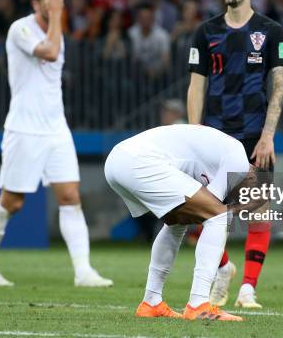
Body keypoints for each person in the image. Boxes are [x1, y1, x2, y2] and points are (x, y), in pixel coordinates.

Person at [0, 0, 112, 287]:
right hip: (24, 128)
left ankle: (83, 272)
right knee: (12, 201)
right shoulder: (20, 28)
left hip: (56, 128)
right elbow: (48, 52)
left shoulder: (55, 28)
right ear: (36, 3)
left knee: (69, 195)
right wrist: (57, 15)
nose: (57, 4)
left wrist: (56, 16)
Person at [186, 0, 283, 308]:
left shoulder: (271, 31)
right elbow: (196, 86)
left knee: (257, 211)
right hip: (214, 136)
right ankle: (224, 267)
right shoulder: (206, 32)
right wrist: (194, 133)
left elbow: (279, 85)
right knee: (198, 212)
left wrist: (268, 136)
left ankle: (248, 287)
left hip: (252, 135)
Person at [105, 124, 251, 321]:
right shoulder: (239, 161)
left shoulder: (220, 157)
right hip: (140, 161)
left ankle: (151, 302)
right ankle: (199, 304)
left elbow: (196, 210)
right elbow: (213, 209)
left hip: (118, 160)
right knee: (220, 216)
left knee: (177, 222)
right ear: (253, 173)